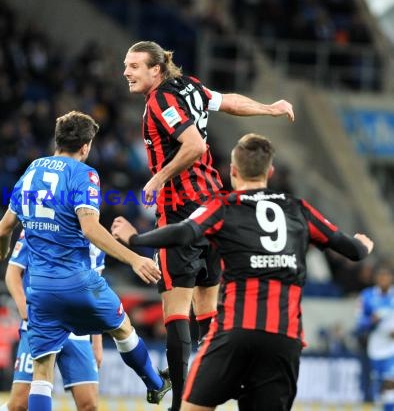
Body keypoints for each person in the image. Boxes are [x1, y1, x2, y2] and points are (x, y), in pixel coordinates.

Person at [111, 133, 374, 411]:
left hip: (235, 334)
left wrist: (135, 239)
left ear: (233, 171)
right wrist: (363, 246)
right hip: (284, 338)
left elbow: (183, 231)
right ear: (270, 172)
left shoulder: (224, 207)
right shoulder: (298, 209)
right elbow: (352, 250)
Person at [123, 40, 295, 411]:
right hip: (213, 208)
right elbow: (228, 101)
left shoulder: (160, 101)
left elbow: (195, 146)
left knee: (176, 310)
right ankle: (220, 388)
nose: (126, 72)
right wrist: (270, 108)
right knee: (208, 310)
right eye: (126, 65)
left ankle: (184, 403)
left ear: (156, 70)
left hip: (180, 210)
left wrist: (156, 179)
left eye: (134, 66)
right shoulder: (190, 87)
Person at [0, 110, 171, 411]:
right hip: (77, 282)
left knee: (42, 373)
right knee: (124, 328)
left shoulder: (32, 170)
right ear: (86, 146)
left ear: (57, 139)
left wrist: (1, 248)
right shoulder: (84, 174)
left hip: (40, 290)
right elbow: (90, 228)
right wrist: (134, 259)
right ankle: (155, 384)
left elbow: (3, 228)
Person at [0, 230, 104, 411]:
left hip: (78, 331)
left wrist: (97, 338)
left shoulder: (94, 233)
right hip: (41, 325)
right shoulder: (37, 224)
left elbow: (95, 288)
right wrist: (26, 311)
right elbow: (13, 273)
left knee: (89, 405)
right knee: (19, 404)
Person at [356, 266, 394, 411]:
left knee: (390, 381)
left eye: (387, 276)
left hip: (392, 347)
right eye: (381, 276)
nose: (384, 279)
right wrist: (372, 320)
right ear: (376, 279)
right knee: (378, 385)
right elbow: (359, 322)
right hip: (375, 346)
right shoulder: (367, 296)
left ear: (391, 278)